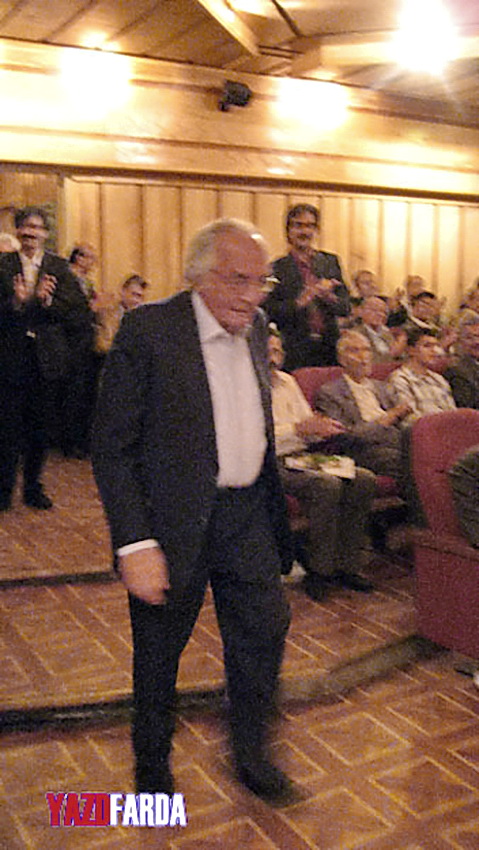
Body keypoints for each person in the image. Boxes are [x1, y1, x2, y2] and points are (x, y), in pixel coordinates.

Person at [92, 219, 297, 806]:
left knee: (263, 633)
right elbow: (111, 447)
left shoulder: (255, 326)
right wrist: (135, 544)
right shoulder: (150, 330)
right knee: (159, 654)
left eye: (261, 282)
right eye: (238, 280)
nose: (252, 296)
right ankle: (152, 765)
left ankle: (250, 754)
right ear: (199, 275)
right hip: (171, 524)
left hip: (246, 516)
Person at [268, 328, 376, 602]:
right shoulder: (246, 386)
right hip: (271, 462)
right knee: (326, 485)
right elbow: (255, 437)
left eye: (278, 351)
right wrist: (297, 429)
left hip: (303, 455)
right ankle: (319, 570)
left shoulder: (288, 381)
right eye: (267, 351)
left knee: (363, 478)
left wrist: (321, 427)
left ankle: (347, 565)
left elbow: (308, 425)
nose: (273, 357)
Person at [0, 206, 92, 511]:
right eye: (25, 227)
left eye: (37, 228)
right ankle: (3, 491)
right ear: (17, 231)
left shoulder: (58, 268)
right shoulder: (4, 265)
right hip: (11, 359)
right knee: (7, 429)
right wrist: (16, 303)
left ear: (45, 234)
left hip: (45, 361)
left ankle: (33, 489)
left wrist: (47, 301)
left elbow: (77, 312)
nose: (31, 233)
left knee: (39, 429)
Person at [264, 203, 350, 370]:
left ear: (316, 230)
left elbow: (346, 308)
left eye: (310, 226)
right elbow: (268, 310)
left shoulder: (331, 262)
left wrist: (329, 297)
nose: (304, 231)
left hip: (329, 348)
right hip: (293, 350)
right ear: (288, 231)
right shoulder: (276, 268)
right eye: (298, 225)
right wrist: (299, 302)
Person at [316, 331, 408, 478]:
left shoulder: (382, 387)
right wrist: (384, 421)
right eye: (355, 351)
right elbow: (343, 436)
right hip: (365, 449)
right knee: (408, 460)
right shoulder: (330, 392)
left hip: (398, 441)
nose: (363, 356)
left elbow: (402, 420)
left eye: (367, 350)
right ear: (342, 359)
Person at [387, 327, 456, 426]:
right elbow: (408, 419)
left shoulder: (438, 379)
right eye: (427, 346)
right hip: (425, 430)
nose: (434, 351)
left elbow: (452, 411)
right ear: (411, 350)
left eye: (436, 346)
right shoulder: (400, 379)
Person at [94, 273, 148, 355]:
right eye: (133, 294)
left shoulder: (144, 319)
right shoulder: (106, 314)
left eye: (140, 297)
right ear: (123, 291)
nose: (136, 301)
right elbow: (102, 345)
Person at [357, 296, 407, 362]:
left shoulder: (386, 333)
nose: (380, 314)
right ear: (361, 311)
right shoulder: (356, 334)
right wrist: (392, 355)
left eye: (384, 312)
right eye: (374, 310)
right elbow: (368, 360)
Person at [444, 316, 479, 409]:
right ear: (459, 341)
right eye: (469, 338)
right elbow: (467, 406)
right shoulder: (457, 371)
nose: (476, 342)